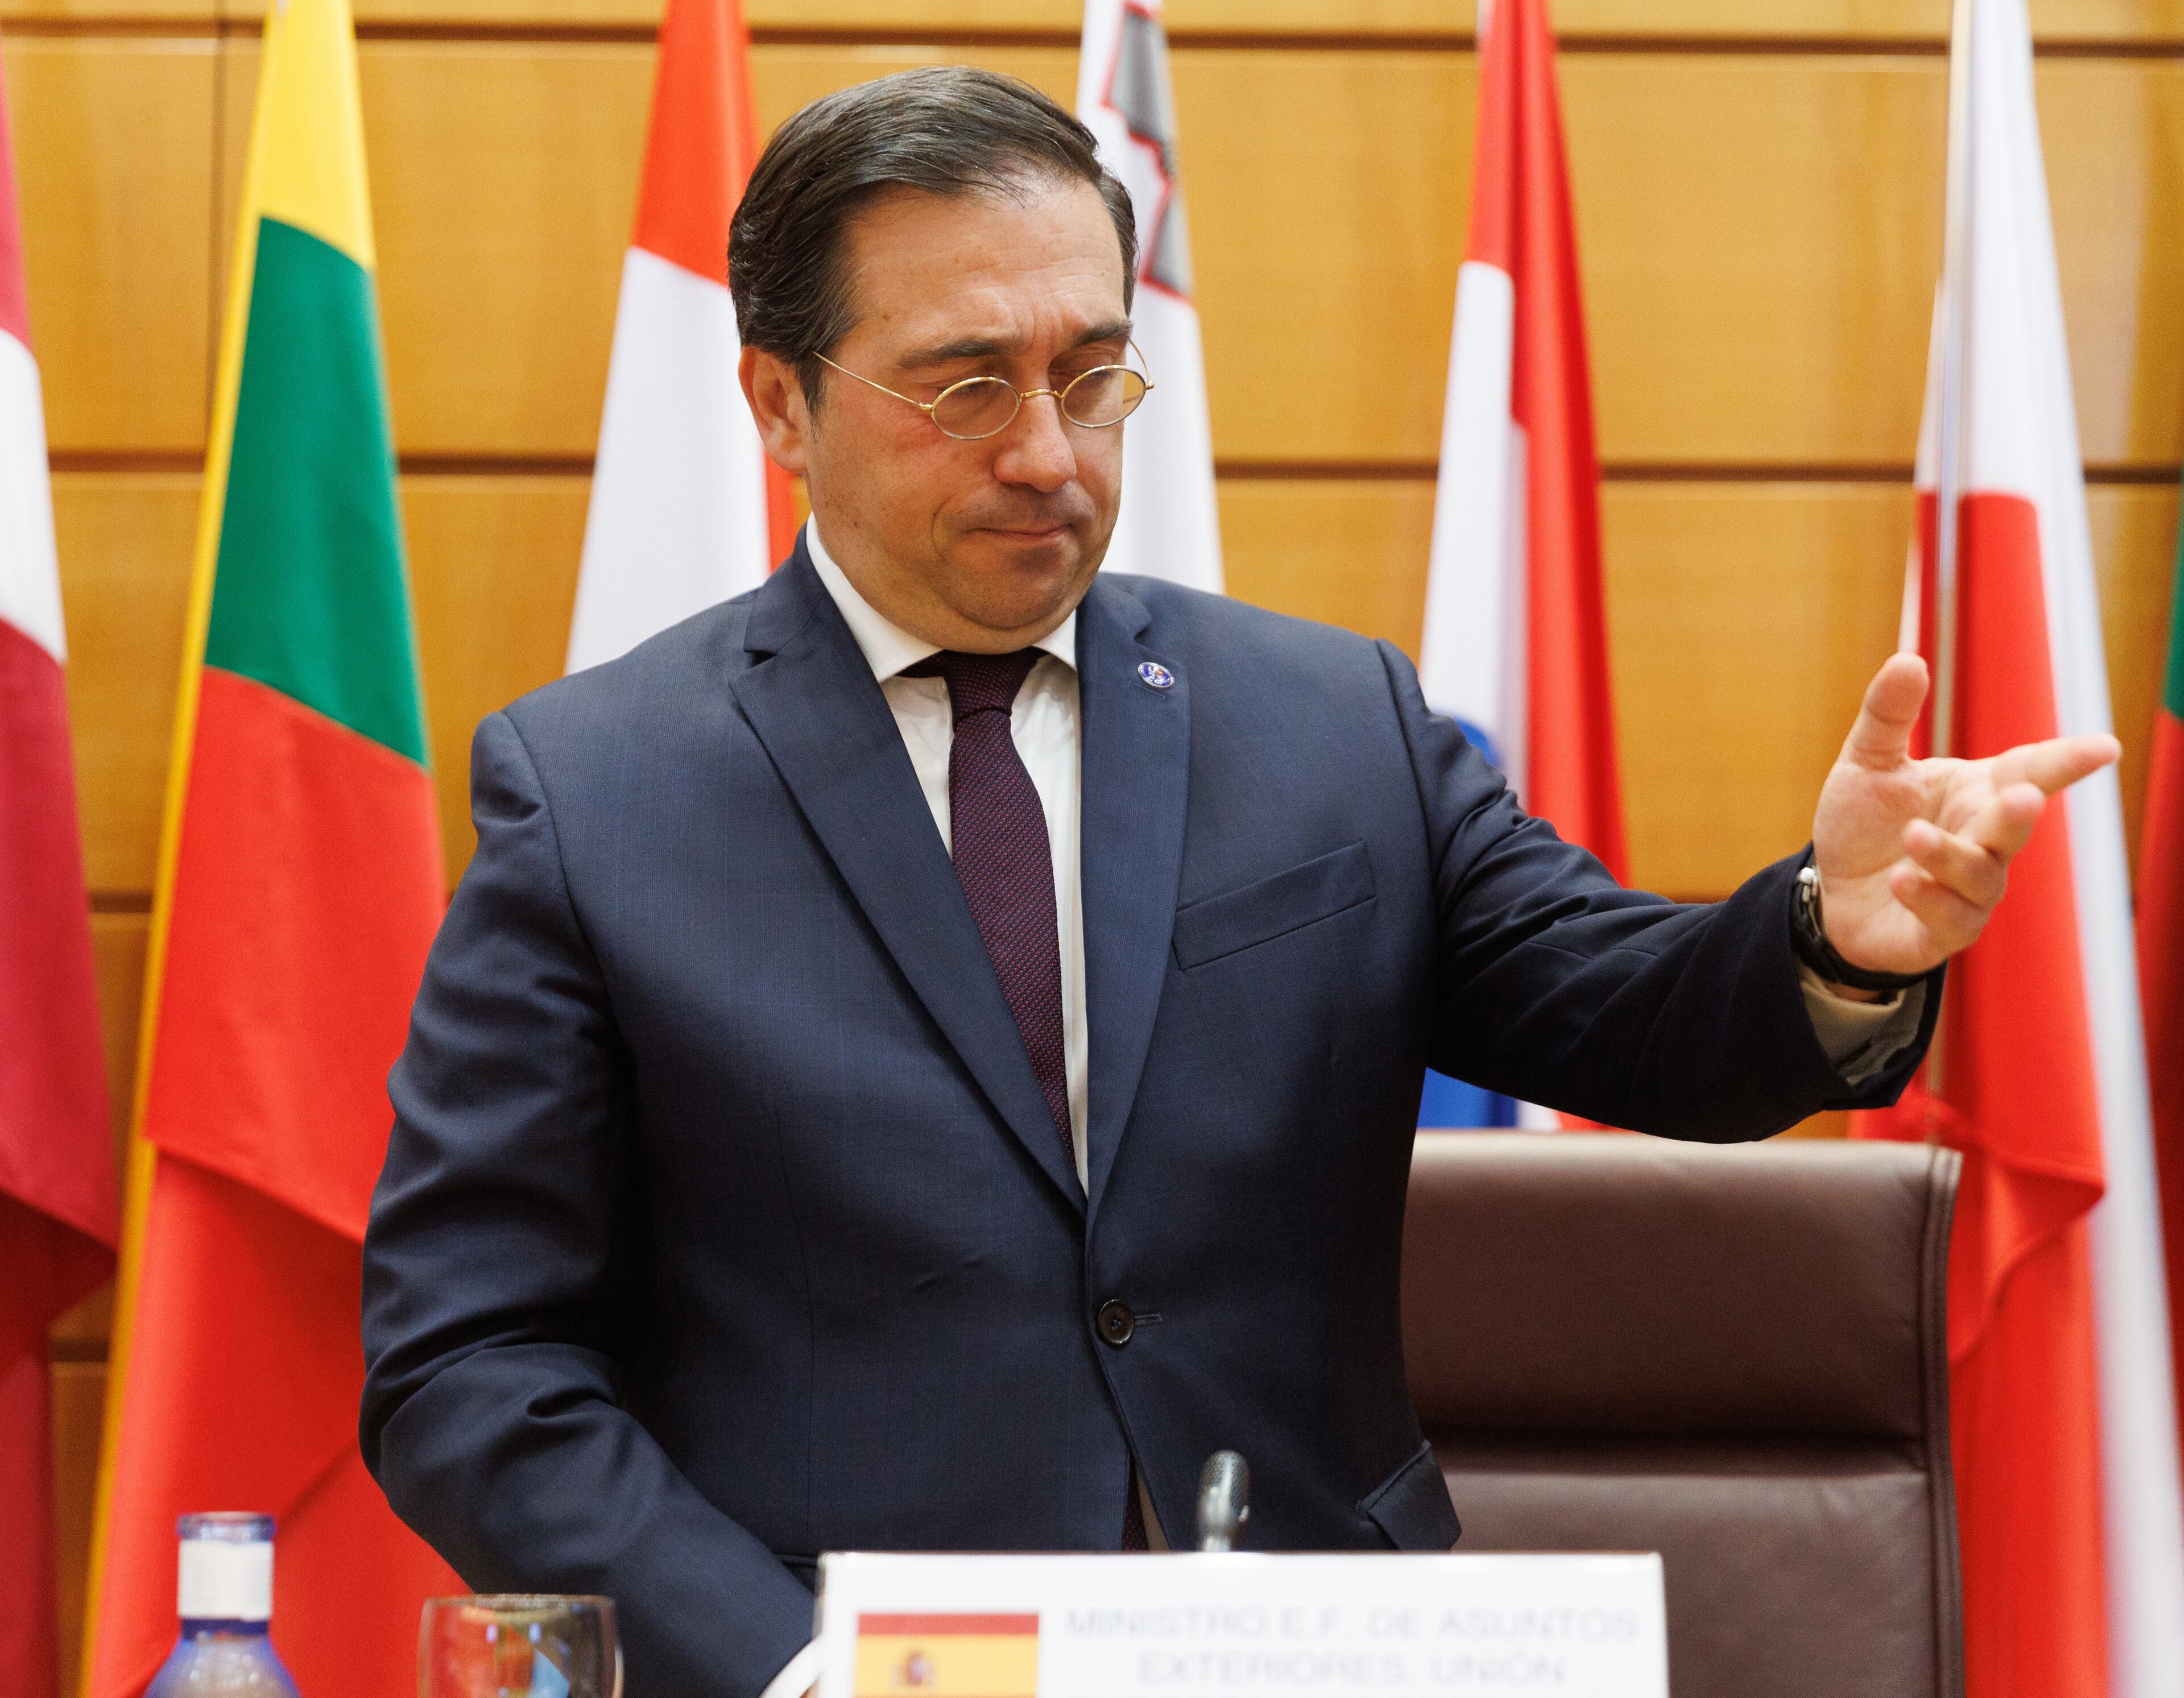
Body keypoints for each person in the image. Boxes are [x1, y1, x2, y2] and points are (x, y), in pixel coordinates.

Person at [358, 66, 2117, 1698]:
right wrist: (791, 1662)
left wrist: (1828, 934)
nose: (1049, 451)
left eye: (1092, 372)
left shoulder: (1325, 722)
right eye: (967, 384)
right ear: (779, 403)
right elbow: (465, 1358)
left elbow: (1631, 1013)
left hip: (1304, 1646)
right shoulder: (600, 793)